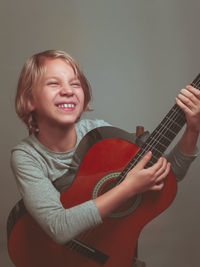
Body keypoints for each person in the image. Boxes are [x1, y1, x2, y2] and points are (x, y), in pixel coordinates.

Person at [11, 50, 200, 265]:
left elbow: (170, 174)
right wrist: (128, 188)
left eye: (75, 84)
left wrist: (192, 130)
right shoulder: (26, 156)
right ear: (29, 100)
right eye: (53, 83)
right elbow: (59, 228)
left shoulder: (100, 134)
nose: (67, 91)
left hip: (111, 253)